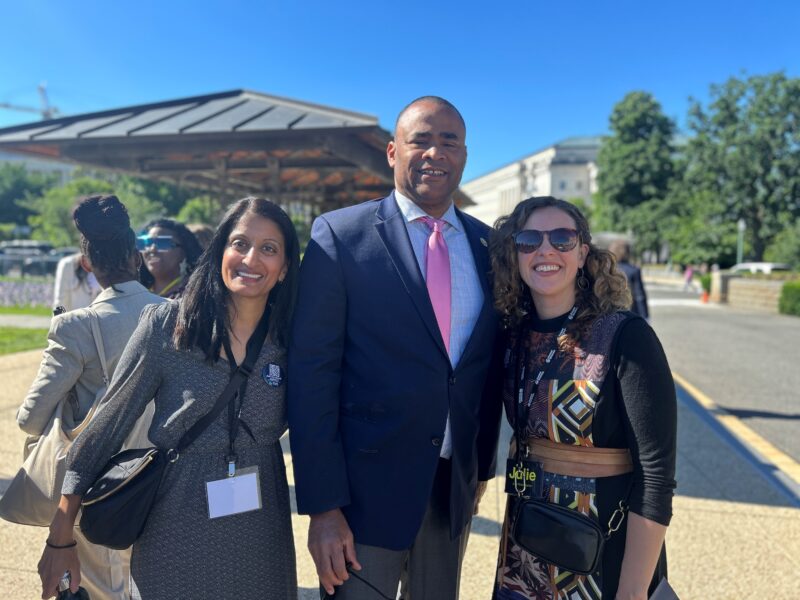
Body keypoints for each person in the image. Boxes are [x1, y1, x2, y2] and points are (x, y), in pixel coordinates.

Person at [288, 96, 502, 599]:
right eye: (420, 140)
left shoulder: (490, 247)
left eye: (448, 141)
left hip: (451, 491)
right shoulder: (339, 236)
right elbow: (312, 374)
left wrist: (481, 470)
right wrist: (323, 507)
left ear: (465, 156)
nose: (435, 153)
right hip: (362, 500)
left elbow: (486, 367)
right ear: (392, 152)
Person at [37, 197, 300, 599]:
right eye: (240, 243)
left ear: (283, 269)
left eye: (269, 248)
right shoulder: (168, 327)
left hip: (261, 526)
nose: (251, 258)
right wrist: (60, 539)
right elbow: (106, 427)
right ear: (219, 253)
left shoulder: (292, 341)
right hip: (176, 520)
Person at [489, 197, 676, 599]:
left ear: (582, 253)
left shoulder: (625, 337)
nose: (545, 250)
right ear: (515, 255)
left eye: (561, 238)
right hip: (524, 549)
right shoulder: (513, 337)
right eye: (528, 240)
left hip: (601, 549)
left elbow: (656, 476)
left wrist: (632, 590)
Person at [18, 194, 166, 598]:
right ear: (137, 258)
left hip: (97, 487)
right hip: (164, 480)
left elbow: (30, 419)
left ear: (87, 264)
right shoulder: (177, 315)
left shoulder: (76, 327)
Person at [137, 217, 203, 299]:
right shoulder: (136, 292)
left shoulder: (195, 293)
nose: (152, 249)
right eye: (148, 243)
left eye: (162, 243)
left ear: (183, 252)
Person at [608, 239, 649, 319]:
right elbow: (639, 296)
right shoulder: (634, 271)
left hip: (609, 315)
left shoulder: (606, 269)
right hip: (630, 314)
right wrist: (645, 316)